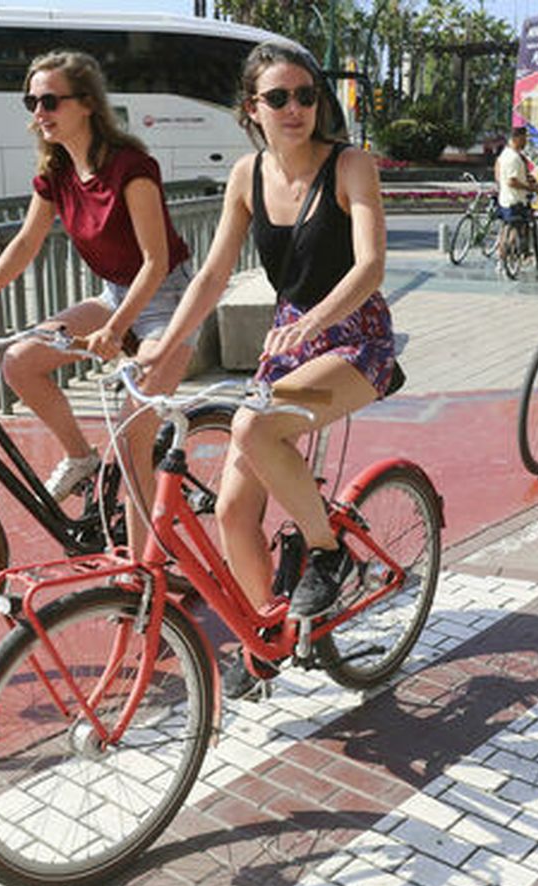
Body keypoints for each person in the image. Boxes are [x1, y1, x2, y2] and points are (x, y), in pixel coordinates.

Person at [135, 42, 394, 697]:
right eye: (278, 98)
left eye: (306, 95)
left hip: (356, 339)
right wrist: (166, 343)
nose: (296, 108)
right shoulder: (246, 176)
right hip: (290, 347)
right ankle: (268, 637)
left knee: (253, 427)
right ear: (251, 108)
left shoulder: (350, 165)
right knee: (231, 512)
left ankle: (329, 553)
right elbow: (213, 274)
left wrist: (315, 319)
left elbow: (370, 266)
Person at [0, 50, 194, 552]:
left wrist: (116, 329)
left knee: (132, 438)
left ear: (87, 103)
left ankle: (141, 572)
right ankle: (81, 459)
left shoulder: (131, 168)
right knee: (19, 362)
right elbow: (25, 243)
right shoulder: (57, 171)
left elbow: (155, 263)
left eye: (50, 101)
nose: (39, 112)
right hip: (115, 295)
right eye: (31, 102)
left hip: (166, 303)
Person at [494, 125, 538, 259]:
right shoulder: (513, 158)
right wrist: (530, 188)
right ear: (517, 138)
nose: (526, 142)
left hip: (505, 199)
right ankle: (513, 255)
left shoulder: (505, 154)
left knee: (507, 228)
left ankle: (504, 257)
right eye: (524, 139)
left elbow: (499, 171)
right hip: (515, 200)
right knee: (516, 229)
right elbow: (512, 181)